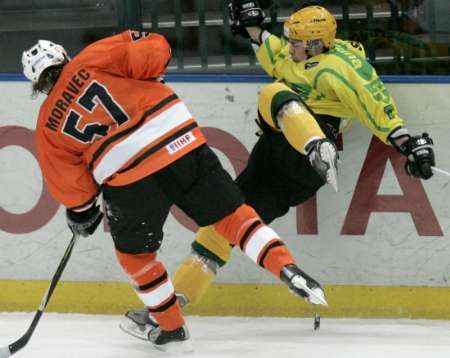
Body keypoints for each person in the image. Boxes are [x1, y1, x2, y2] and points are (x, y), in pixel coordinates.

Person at [121, 2, 436, 339]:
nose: (290, 46)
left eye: (297, 42)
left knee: (273, 92)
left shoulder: (343, 68)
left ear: (316, 44)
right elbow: (274, 53)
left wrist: (408, 143)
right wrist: (253, 27)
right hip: (275, 167)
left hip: (304, 156)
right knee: (223, 225)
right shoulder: (297, 53)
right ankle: (168, 314)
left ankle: (316, 144)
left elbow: (379, 107)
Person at [22, 29, 329, 353]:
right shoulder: (93, 56)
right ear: (64, 56)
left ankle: (171, 329)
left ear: (38, 85)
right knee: (233, 217)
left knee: (135, 255)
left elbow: (72, 187)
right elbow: (154, 50)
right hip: (178, 142)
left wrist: (82, 212)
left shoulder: (47, 124)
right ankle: (286, 267)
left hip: (128, 178)